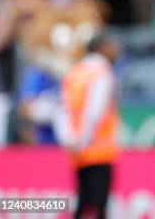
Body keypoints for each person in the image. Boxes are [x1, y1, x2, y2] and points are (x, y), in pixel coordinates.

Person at [59, 32, 120, 219]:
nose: (115, 50)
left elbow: (64, 109)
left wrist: (70, 138)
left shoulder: (74, 72)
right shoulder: (102, 72)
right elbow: (96, 110)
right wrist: (85, 139)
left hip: (77, 150)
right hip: (98, 147)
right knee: (99, 206)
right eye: (111, 46)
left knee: (83, 201)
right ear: (101, 48)